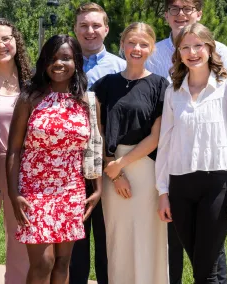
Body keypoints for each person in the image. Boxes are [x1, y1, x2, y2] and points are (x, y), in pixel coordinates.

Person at [145, 1, 227, 282]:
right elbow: (163, 130)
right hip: (175, 168)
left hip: (213, 171)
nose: (192, 53)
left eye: (188, 8)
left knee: (208, 255)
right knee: (183, 246)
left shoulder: (226, 70)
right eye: (174, 9)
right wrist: (162, 187)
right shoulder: (162, 70)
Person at [6, 34, 103, 284]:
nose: (58, 63)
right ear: (43, 63)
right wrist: (14, 193)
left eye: (66, 58)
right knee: (44, 262)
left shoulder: (87, 101)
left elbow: (94, 146)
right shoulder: (30, 98)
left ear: (77, 62)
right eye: (52, 58)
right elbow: (14, 149)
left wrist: (98, 188)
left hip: (71, 189)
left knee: (62, 263)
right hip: (34, 190)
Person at [92, 22, 170, 284]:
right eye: (132, 42)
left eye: (144, 44)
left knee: (149, 237)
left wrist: (121, 164)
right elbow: (98, 130)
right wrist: (113, 170)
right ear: (122, 44)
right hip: (112, 170)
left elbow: (156, 136)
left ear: (151, 49)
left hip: (146, 168)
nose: (137, 49)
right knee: (118, 238)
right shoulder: (105, 85)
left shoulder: (161, 86)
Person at [69, 3, 125, 283]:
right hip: (69, 166)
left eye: (95, 25)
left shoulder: (121, 68)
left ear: (106, 28)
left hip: (108, 163)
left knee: (108, 237)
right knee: (75, 239)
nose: (89, 31)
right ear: (75, 29)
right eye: (83, 26)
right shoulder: (63, 63)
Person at [0, 17, 33, 284]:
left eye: (6, 38)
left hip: (23, 168)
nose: (1, 45)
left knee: (21, 236)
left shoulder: (33, 81)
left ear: (16, 41)